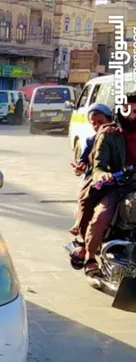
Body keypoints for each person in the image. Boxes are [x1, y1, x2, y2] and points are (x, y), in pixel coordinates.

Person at [73, 95, 136, 278]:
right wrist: (103, 175)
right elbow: (99, 165)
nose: (131, 116)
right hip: (119, 185)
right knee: (101, 215)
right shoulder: (109, 135)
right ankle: (90, 257)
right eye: (127, 111)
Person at [68, 103, 113, 237]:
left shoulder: (117, 135)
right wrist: (80, 167)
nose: (97, 126)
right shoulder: (91, 140)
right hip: (95, 176)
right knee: (85, 198)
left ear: (110, 120)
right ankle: (82, 235)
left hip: (117, 175)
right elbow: (83, 161)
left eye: (101, 122)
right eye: (93, 123)